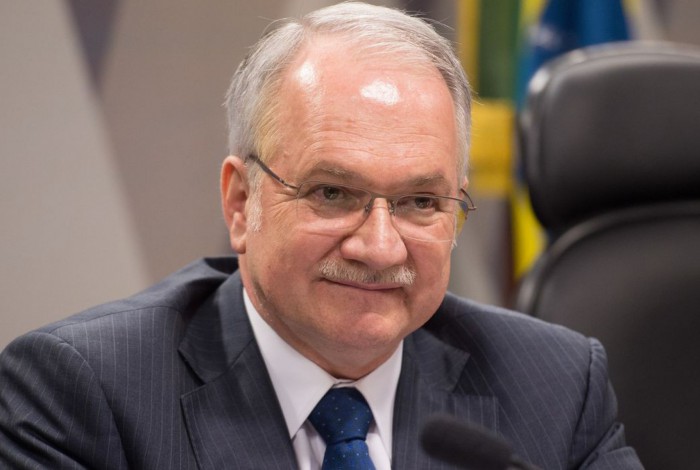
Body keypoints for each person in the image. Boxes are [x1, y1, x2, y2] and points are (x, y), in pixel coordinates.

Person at [0, 2, 642, 469]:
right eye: (333, 194)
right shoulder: (84, 394)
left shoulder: (554, 387)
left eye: (420, 202)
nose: (380, 247)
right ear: (241, 202)